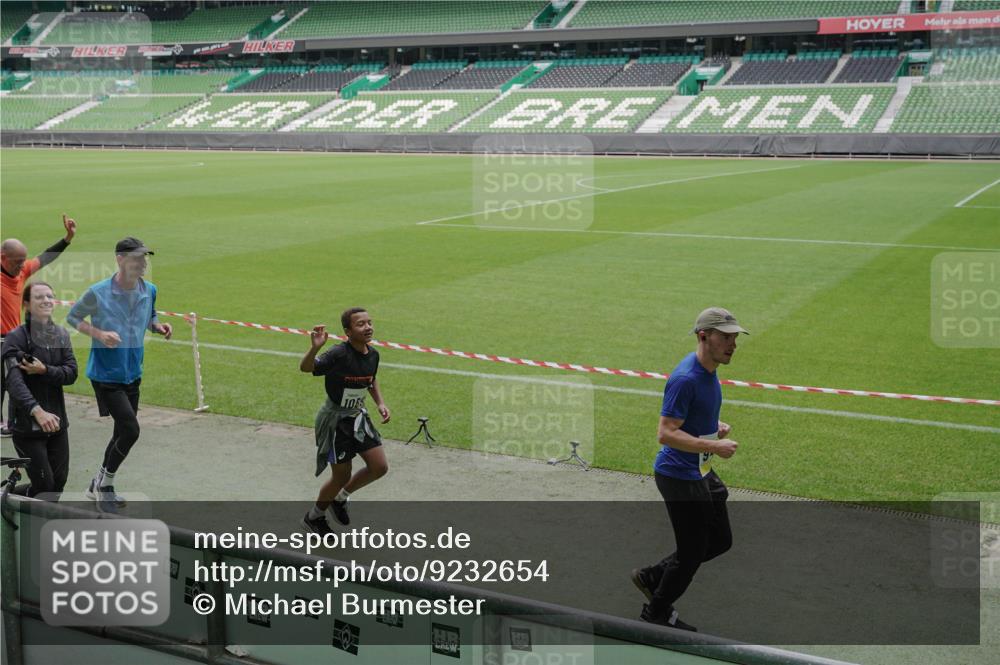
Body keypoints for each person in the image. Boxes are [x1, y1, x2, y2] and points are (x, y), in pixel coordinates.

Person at [632, 307, 749, 632]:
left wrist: (713, 427)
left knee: (720, 541)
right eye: (725, 337)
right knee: (692, 551)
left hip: (698, 471)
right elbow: (666, 433)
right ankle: (655, 612)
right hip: (677, 477)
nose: (732, 344)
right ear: (703, 336)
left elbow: (690, 420)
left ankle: (653, 576)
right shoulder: (686, 378)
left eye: (735, 338)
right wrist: (714, 446)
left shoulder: (708, 370)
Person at [66, 237, 172, 513]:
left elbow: (150, 317)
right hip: (105, 374)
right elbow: (73, 317)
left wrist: (158, 327)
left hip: (133, 371)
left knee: (121, 430)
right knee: (131, 429)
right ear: (120, 260)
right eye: (137, 258)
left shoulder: (150, 289)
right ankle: (105, 486)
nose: (143, 263)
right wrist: (99, 334)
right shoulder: (97, 292)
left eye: (145, 258)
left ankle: (96, 483)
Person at [299, 307, 390, 535]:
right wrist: (315, 348)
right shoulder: (338, 354)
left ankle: (340, 499)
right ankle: (314, 517)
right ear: (348, 332)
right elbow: (306, 368)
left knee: (379, 467)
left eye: (369, 322)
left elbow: (371, 380)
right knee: (342, 475)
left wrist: (380, 403)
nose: (368, 327)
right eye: (361, 324)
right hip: (335, 421)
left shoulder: (373, 354)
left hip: (358, 416)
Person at [0, 281, 78, 499]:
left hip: (57, 423)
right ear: (26, 304)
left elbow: (71, 373)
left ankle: (8, 496)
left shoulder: (61, 335)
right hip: (27, 427)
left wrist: (44, 370)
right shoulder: (16, 338)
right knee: (44, 485)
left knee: (58, 484)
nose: (46, 300)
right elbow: (14, 383)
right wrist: (37, 410)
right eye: (39, 297)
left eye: (49, 296)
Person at [1, 215, 77, 437]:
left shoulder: (22, 270)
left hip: (15, 338)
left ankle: (14, 421)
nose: (21, 266)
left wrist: (68, 238)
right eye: (17, 261)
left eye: (23, 261)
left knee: (15, 381)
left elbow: (44, 258)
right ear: (3, 257)